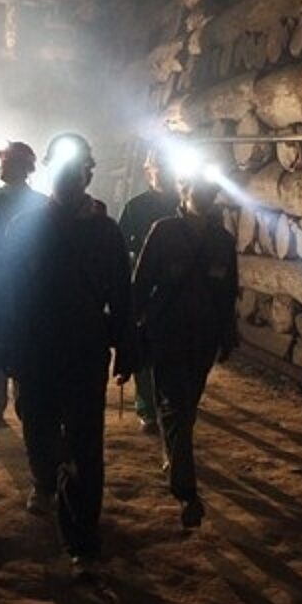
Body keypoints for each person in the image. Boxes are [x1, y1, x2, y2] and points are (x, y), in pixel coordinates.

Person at [5, 133, 134, 576]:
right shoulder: (25, 228)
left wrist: (126, 346)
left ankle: (83, 544)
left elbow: (121, 292)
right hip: (37, 346)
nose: (66, 175)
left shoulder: (105, 232)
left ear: (87, 174)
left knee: (84, 444)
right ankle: (46, 480)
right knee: (36, 422)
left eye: (74, 168)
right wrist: (8, 347)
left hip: (83, 347)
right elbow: (9, 293)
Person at [131, 165, 238, 529]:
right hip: (168, 333)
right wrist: (131, 328)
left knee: (185, 407)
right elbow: (141, 282)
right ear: (185, 191)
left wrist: (227, 334)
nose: (205, 195)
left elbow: (228, 292)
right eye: (199, 189)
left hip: (203, 336)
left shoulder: (223, 240)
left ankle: (171, 455)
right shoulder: (163, 232)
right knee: (177, 405)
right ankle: (186, 492)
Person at [116, 147, 180, 433]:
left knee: (174, 348)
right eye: (159, 167)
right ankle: (148, 408)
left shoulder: (183, 205)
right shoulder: (136, 207)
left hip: (177, 289)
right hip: (145, 285)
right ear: (148, 171)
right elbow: (120, 244)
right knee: (143, 347)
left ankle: (172, 400)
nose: (164, 173)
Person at [0, 140, 47, 426]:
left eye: (5, 162)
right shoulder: (41, 202)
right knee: (22, 345)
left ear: (21, 168)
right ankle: (25, 408)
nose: (1, 166)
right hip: (25, 287)